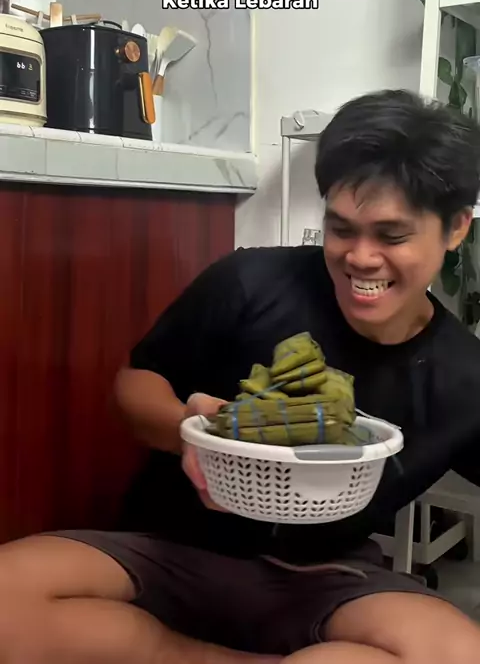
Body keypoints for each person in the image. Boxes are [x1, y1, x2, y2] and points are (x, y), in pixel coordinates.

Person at [1, 90, 480, 663]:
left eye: (391, 236)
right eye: (341, 229)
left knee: (455, 652)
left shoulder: (464, 377)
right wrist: (187, 429)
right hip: (171, 551)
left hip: (324, 578)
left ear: (456, 227)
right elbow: (137, 382)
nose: (360, 258)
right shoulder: (251, 281)